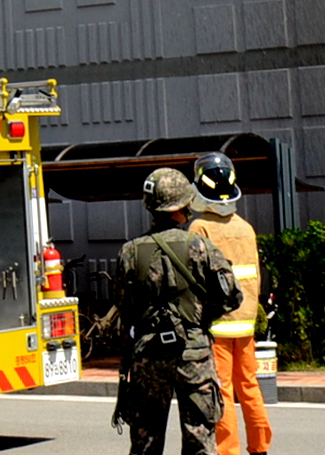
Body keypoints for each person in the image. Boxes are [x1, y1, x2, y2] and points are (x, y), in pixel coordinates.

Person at [113, 168, 240, 455]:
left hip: (148, 354)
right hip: (193, 353)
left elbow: (124, 305)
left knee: (145, 440)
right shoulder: (201, 247)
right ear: (182, 206)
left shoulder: (130, 251)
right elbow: (231, 297)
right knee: (199, 437)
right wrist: (200, 319)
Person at [184, 154, 270, 455]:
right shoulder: (246, 228)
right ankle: (260, 446)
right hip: (245, 323)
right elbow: (255, 277)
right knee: (249, 385)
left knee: (221, 389)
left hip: (217, 324)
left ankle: (227, 450)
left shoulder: (200, 228)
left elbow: (194, 279)